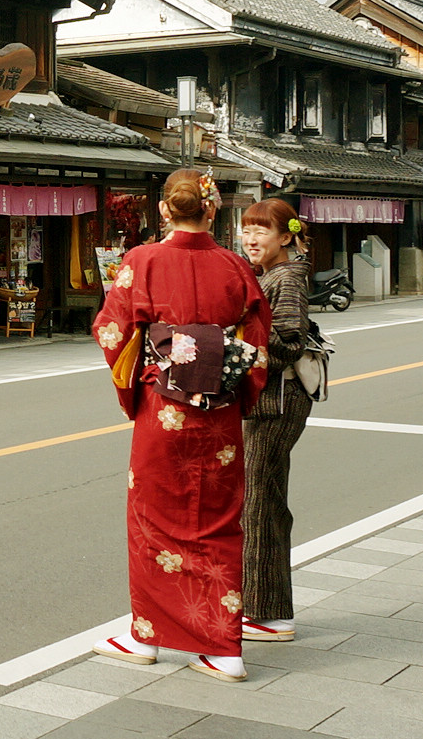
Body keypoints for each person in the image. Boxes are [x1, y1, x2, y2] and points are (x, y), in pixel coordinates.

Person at [90, 168, 271, 682]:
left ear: (165, 210)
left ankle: (146, 637)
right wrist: (236, 391)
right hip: (219, 415)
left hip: (162, 413)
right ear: (211, 208)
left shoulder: (141, 261)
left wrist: (146, 376)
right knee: (218, 520)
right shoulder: (236, 266)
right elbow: (257, 343)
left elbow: (111, 329)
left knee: (153, 519)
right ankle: (224, 648)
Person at [240, 198, 315, 644]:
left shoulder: (287, 278)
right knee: (263, 498)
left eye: (260, 231)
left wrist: (242, 328)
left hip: (278, 401)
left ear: (285, 237)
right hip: (270, 401)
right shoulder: (271, 274)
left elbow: (289, 341)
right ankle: (266, 607)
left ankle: (269, 614)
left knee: (259, 503)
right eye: (246, 230)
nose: (250, 239)